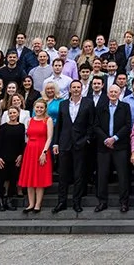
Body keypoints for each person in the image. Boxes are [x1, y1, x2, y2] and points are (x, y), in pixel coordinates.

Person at [53, 78, 93, 214]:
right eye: (73, 87)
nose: (76, 89)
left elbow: (91, 124)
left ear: (81, 89)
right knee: (63, 175)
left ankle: (77, 202)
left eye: (78, 87)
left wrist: (86, 140)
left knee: (79, 174)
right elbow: (59, 125)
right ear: (70, 89)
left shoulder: (88, 103)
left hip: (80, 144)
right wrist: (56, 143)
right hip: (65, 143)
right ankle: (61, 202)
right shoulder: (63, 104)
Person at [94, 83, 134, 213]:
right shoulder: (100, 107)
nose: (113, 94)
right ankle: (102, 202)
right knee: (102, 175)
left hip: (120, 146)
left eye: (115, 92)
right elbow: (96, 125)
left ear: (119, 93)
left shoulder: (125, 107)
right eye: (111, 92)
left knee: (123, 175)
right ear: (107, 93)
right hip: (103, 146)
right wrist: (106, 139)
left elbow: (127, 125)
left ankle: (124, 202)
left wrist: (115, 138)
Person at [17, 98, 53, 212]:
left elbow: (49, 138)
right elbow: (27, 137)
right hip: (30, 151)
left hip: (41, 150)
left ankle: (38, 204)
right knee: (30, 177)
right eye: (37, 107)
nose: (39, 109)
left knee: (39, 178)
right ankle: (31, 204)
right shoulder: (30, 120)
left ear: (45, 109)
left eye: (41, 107)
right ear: (34, 108)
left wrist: (44, 152)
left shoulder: (48, 120)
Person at [0, 106, 25, 211]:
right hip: (3, 158)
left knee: (13, 179)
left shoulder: (21, 126)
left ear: (18, 114)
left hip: (15, 158)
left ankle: (9, 200)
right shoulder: (3, 127)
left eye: (14, 113)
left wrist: (21, 155)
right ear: (8, 114)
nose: (12, 115)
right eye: (10, 113)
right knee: (1, 180)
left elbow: (22, 143)